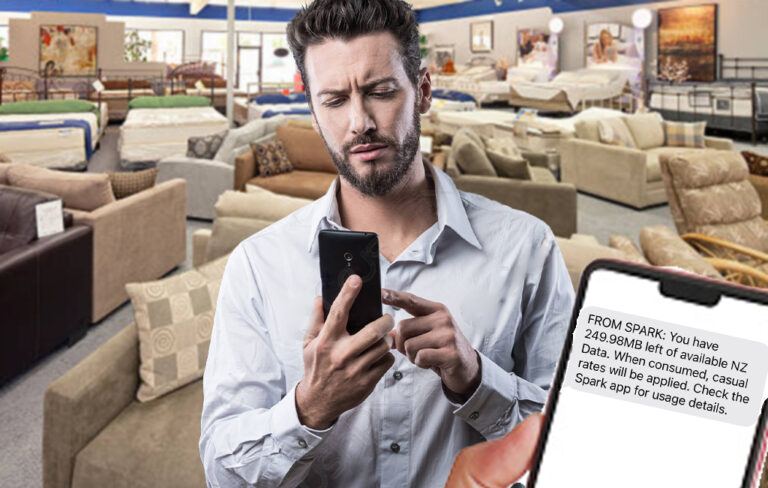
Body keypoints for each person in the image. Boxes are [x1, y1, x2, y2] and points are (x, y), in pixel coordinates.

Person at [199, 1, 574, 486]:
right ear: (314, 113)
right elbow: (222, 473)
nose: (360, 122)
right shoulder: (257, 264)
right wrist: (310, 408)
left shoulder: (527, 248)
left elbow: (570, 442)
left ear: (422, 91)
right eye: (334, 101)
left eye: (380, 92)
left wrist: (479, 381)